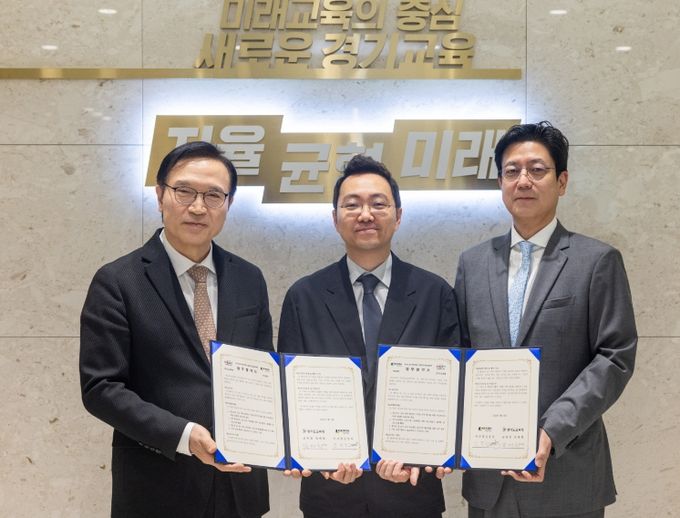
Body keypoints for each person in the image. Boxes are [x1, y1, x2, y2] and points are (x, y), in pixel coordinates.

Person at [80, 141, 272, 518]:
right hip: (158, 488)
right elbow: (101, 387)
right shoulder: (118, 281)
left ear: (229, 204)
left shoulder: (249, 279)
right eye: (184, 191)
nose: (198, 207)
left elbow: (264, 373)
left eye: (213, 195)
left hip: (240, 489)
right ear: (160, 196)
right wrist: (183, 435)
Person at [454, 121, 637, 518]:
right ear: (501, 183)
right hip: (489, 479)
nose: (523, 180)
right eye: (512, 171)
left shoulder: (596, 261)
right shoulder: (473, 263)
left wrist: (553, 428)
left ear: (562, 181)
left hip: (567, 474)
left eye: (537, 170)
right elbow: (460, 357)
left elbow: (615, 356)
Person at [277, 154, 460, 518]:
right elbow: (290, 392)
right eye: (352, 205)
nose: (365, 214)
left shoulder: (434, 293)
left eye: (378, 204)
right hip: (330, 492)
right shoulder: (304, 296)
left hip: (412, 490)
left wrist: (434, 454)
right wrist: (308, 456)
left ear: (398, 215)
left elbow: (453, 391)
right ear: (335, 219)